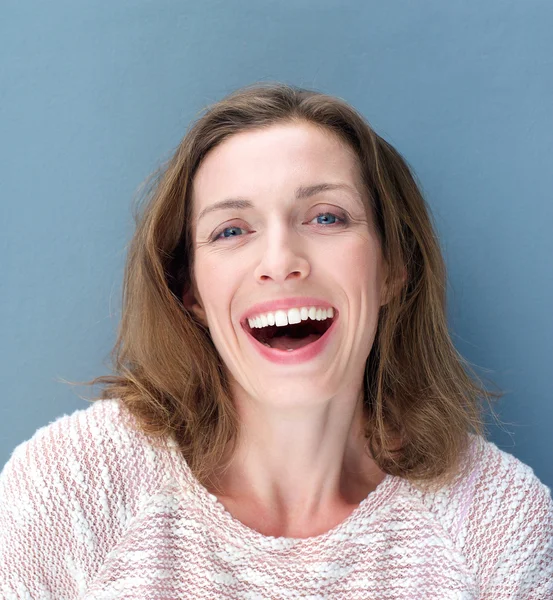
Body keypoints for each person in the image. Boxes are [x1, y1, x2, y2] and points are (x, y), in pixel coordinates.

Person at [1, 83, 551, 599]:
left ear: (393, 269)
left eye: (327, 216)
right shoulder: (72, 488)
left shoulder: (495, 522)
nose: (281, 261)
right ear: (190, 290)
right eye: (232, 230)